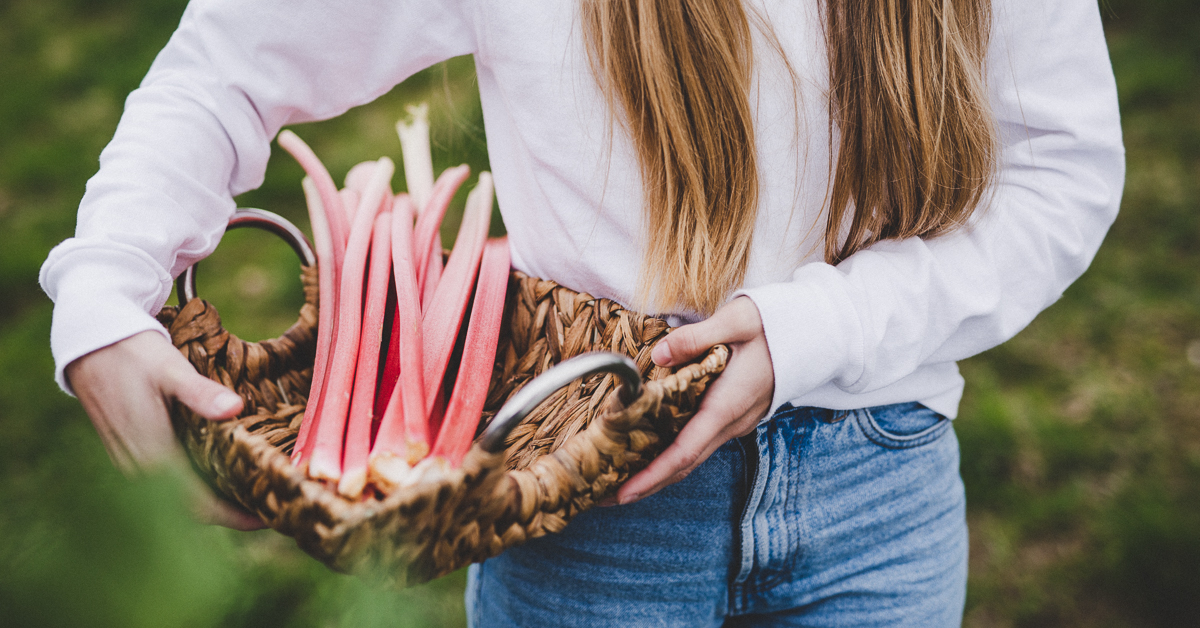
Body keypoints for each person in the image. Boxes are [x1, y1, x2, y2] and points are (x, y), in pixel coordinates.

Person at [40, 0, 1123, 625]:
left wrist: (820, 326)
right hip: (587, 503)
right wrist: (104, 282)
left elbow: (1059, 175)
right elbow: (231, 60)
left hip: (876, 492)